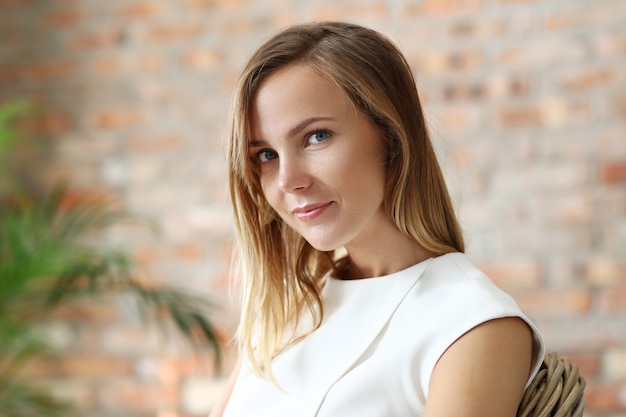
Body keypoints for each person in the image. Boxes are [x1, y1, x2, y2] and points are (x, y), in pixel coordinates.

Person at [211, 21, 545, 417]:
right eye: (266, 154)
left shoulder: (473, 325)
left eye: (316, 136)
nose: (288, 180)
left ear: (390, 133)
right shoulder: (285, 311)